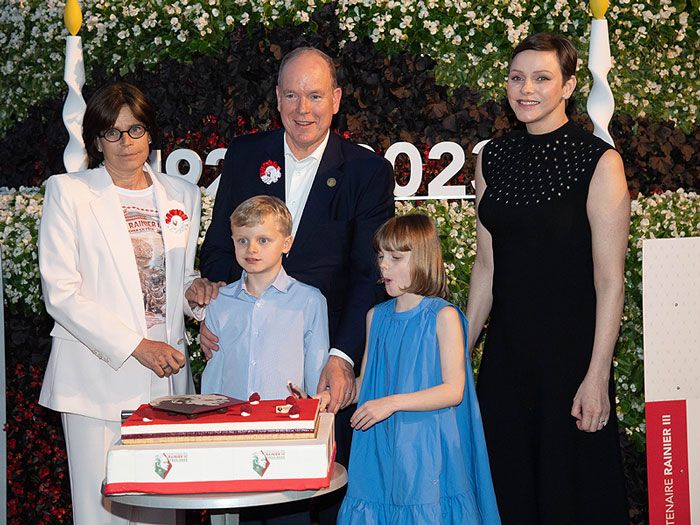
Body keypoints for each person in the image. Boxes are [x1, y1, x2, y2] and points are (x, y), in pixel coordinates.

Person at [199, 46, 395, 501]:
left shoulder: (367, 171)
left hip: (324, 364)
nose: (302, 109)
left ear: (337, 98)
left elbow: (372, 275)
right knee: (250, 495)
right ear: (277, 98)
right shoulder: (246, 155)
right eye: (291, 96)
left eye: (314, 95)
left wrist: (343, 356)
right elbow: (218, 251)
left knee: (321, 492)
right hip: (248, 372)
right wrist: (216, 313)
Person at [38, 82, 222, 525]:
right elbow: (61, 291)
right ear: (96, 140)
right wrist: (137, 345)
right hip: (96, 381)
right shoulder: (69, 193)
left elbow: (168, 279)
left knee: (162, 511)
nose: (126, 143)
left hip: (168, 380)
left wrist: (194, 295)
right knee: (102, 512)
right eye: (112, 133)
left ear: (150, 134)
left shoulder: (183, 195)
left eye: (135, 130)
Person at [466, 33, 630, 524]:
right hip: (506, 360)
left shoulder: (600, 162)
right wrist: (456, 357)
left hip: (570, 361)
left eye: (541, 78)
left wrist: (597, 375)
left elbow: (610, 281)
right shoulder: (491, 158)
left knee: (571, 496)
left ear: (569, 86)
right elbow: (486, 268)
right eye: (517, 78)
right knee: (506, 493)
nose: (526, 89)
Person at [330, 214, 500, 524]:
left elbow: (454, 390)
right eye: (381, 255)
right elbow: (366, 382)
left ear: (422, 258)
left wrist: (391, 403)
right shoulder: (375, 317)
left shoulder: (443, 316)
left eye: (396, 257)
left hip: (426, 446)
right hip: (380, 445)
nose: (383, 265)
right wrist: (328, 399)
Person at [201, 195, 329, 403]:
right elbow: (214, 372)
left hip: (287, 424)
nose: (251, 249)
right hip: (233, 422)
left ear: (286, 244)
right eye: (242, 240)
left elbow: (317, 370)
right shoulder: (220, 301)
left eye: (263, 240)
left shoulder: (309, 301)